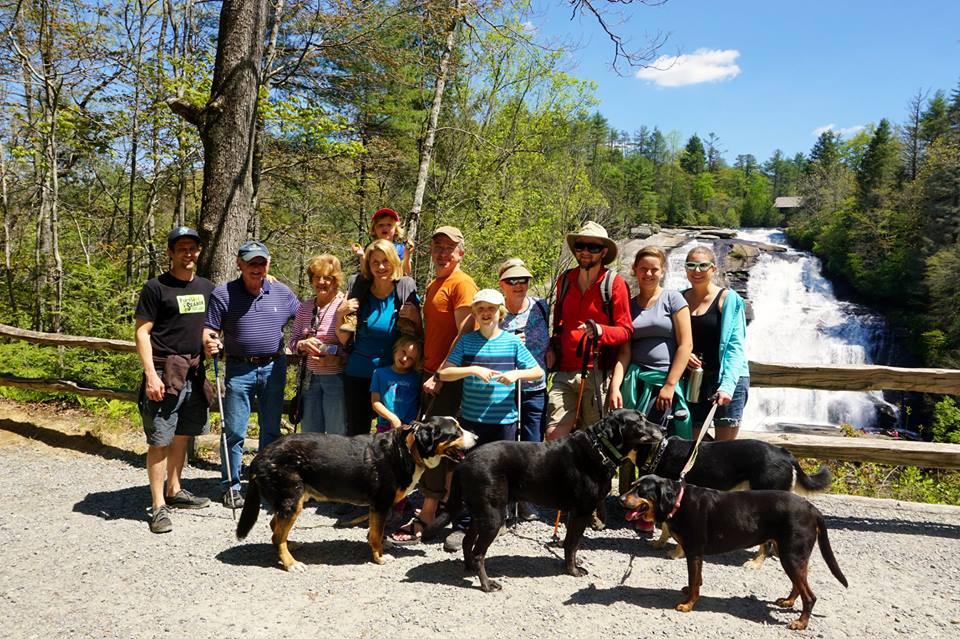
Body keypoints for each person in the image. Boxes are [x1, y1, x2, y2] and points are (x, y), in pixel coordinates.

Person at [389, 225, 477, 546]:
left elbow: (464, 335)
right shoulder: (435, 284)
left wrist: (442, 373)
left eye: (449, 249)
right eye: (437, 247)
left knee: (435, 444)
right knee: (440, 444)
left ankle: (427, 514)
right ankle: (445, 509)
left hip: (448, 379)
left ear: (460, 254)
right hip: (429, 373)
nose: (442, 253)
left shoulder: (462, 284)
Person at [203, 240, 300, 508]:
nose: (257, 268)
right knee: (234, 430)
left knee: (271, 430)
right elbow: (209, 329)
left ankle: (262, 481)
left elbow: (305, 315)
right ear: (240, 264)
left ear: (268, 264)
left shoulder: (282, 292)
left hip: (274, 367)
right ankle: (231, 486)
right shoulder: (223, 294)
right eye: (251, 263)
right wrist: (211, 341)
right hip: (239, 368)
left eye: (262, 262)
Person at [134, 227, 214, 533]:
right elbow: (142, 332)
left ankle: (174, 489)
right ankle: (157, 506)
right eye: (182, 248)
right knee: (160, 440)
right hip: (164, 372)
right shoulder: (156, 287)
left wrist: (209, 340)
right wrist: (150, 375)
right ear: (170, 252)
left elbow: (205, 326)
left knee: (183, 434)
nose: (188, 253)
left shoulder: (206, 287)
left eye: (193, 248)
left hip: (194, 372)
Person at [609, 246, 693, 480]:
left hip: (663, 382)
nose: (648, 274)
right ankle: (627, 500)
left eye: (654, 269)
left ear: (663, 271)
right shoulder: (629, 304)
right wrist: (616, 386)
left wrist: (670, 384)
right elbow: (624, 351)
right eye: (643, 269)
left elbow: (686, 345)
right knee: (630, 442)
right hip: (634, 384)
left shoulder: (673, 299)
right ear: (634, 270)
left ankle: (658, 501)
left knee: (659, 445)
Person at [544, 221, 632, 441]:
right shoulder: (565, 280)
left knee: (595, 439)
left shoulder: (614, 284)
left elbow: (626, 331)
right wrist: (554, 344)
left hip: (597, 372)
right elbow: (560, 323)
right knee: (554, 435)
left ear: (603, 252)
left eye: (592, 247)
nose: (585, 252)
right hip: (565, 370)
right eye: (581, 246)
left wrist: (601, 331)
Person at [336, 239, 421, 436]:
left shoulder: (404, 289)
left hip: (395, 376)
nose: (381, 267)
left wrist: (416, 319)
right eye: (375, 262)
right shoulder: (359, 288)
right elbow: (343, 339)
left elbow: (417, 338)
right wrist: (341, 315)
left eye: (386, 261)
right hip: (359, 373)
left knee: (397, 433)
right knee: (357, 435)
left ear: (394, 261)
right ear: (368, 264)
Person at [497, 258, 550, 521]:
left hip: (535, 387)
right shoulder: (493, 311)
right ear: (502, 284)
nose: (519, 285)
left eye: (523, 280)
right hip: (504, 390)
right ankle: (505, 500)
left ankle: (527, 499)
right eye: (512, 281)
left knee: (532, 445)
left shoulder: (541, 307)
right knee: (507, 447)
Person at [681, 245, 750, 440]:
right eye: (691, 265)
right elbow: (672, 339)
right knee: (691, 445)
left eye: (703, 265)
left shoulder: (729, 299)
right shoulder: (678, 299)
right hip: (693, 381)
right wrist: (684, 355)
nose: (697, 270)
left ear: (714, 269)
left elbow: (735, 347)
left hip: (728, 380)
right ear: (685, 268)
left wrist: (727, 386)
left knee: (725, 454)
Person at [288, 254, 347, 435]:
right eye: (317, 277)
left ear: (335, 280)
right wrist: (302, 344)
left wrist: (333, 352)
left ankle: (336, 464)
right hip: (309, 379)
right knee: (310, 434)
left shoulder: (344, 305)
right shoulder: (305, 307)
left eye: (327, 278)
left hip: (335, 378)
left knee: (336, 432)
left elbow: (353, 344)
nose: (321, 282)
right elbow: (292, 341)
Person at [370, 334, 422, 432]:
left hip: (408, 428)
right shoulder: (379, 373)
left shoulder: (416, 377)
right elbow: (375, 402)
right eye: (403, 352)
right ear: (396, 347)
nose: (404, 359)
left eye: (411, 358)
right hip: (385, 427)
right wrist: (393, 419)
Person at [350, 208, 413, 276]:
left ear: (396, 229)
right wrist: (362, 256)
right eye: (381, 225)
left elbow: (407, 273)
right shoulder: (370, 248)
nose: (385, 228)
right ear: (374, 229)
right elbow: (366, 274)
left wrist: (407, 255)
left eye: (389, 225)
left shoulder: (400, 248)